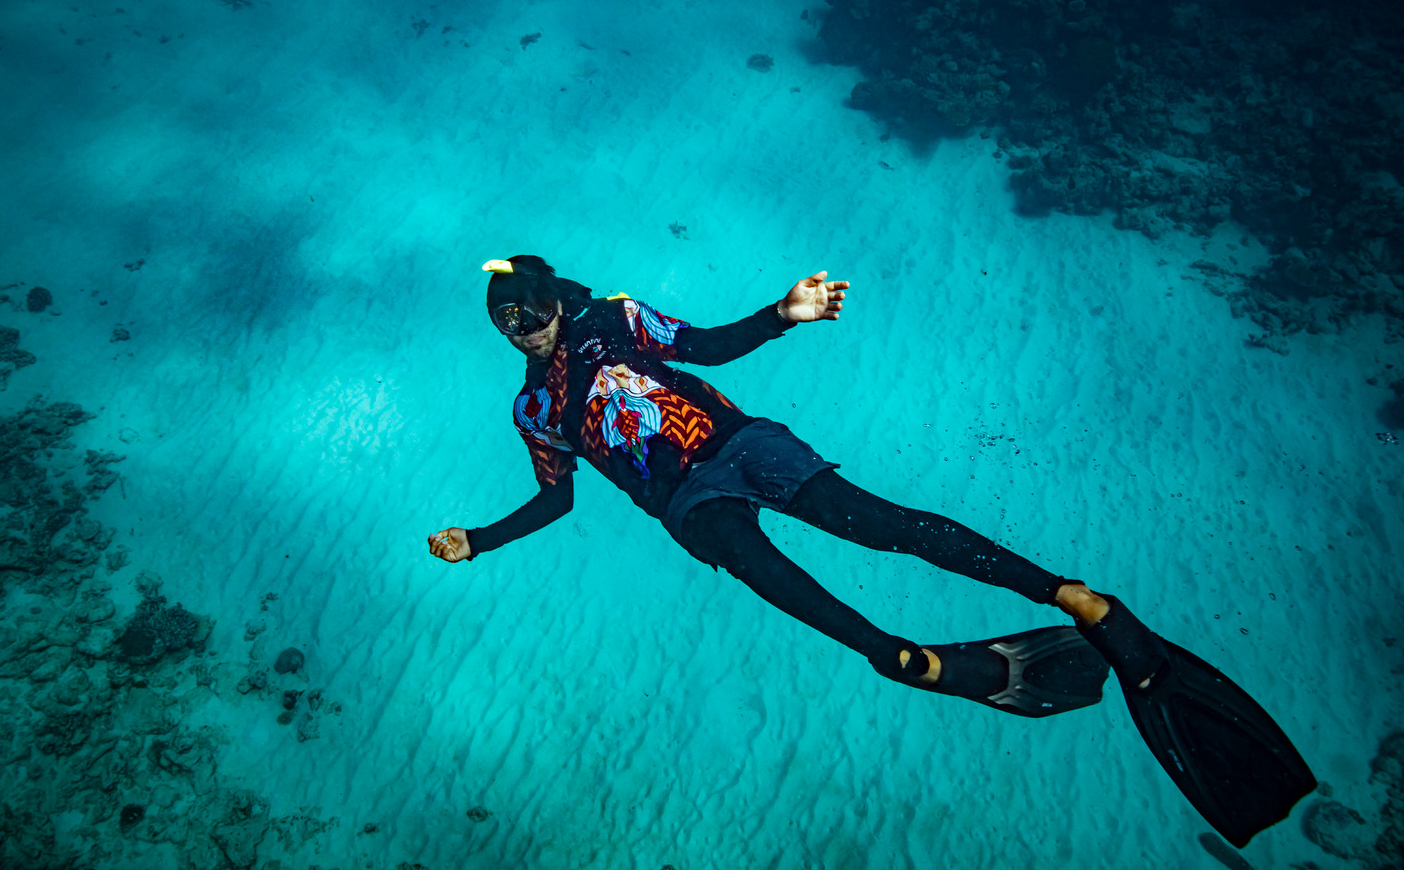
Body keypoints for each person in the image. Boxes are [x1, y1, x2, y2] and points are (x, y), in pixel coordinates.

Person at [428, 255, 1314, 849]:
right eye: (507, 321)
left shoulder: (615, 318)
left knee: (877, 522)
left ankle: (1073, 596)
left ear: (555, 298)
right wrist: (481, 539)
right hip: (686, 500)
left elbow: (702, 345)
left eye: (529, 310)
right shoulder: (532, 411)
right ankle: (898, 654)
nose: (523, 328)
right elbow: (557, 497)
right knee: (765, 571)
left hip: (737, 441)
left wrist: (783, 314)